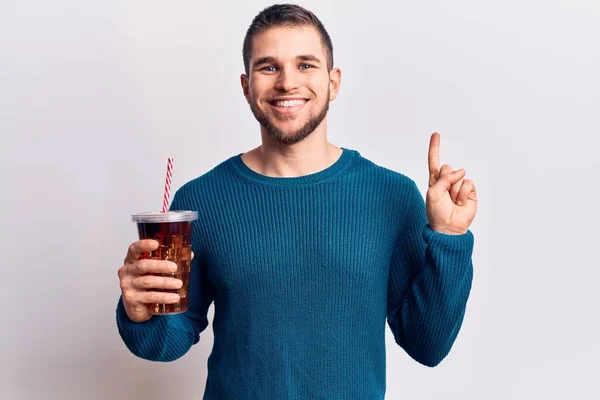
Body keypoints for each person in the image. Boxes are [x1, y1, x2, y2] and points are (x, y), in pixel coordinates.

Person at [116, 3, 478, 399]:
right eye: (268, 67)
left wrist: (449, 236)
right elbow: (169, 342)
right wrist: (140, 313)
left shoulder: (391, 195)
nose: (287, 82)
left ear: (333, 82)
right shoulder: (200, 200)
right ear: (245, 86)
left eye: (306, 65)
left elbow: (427, 345)